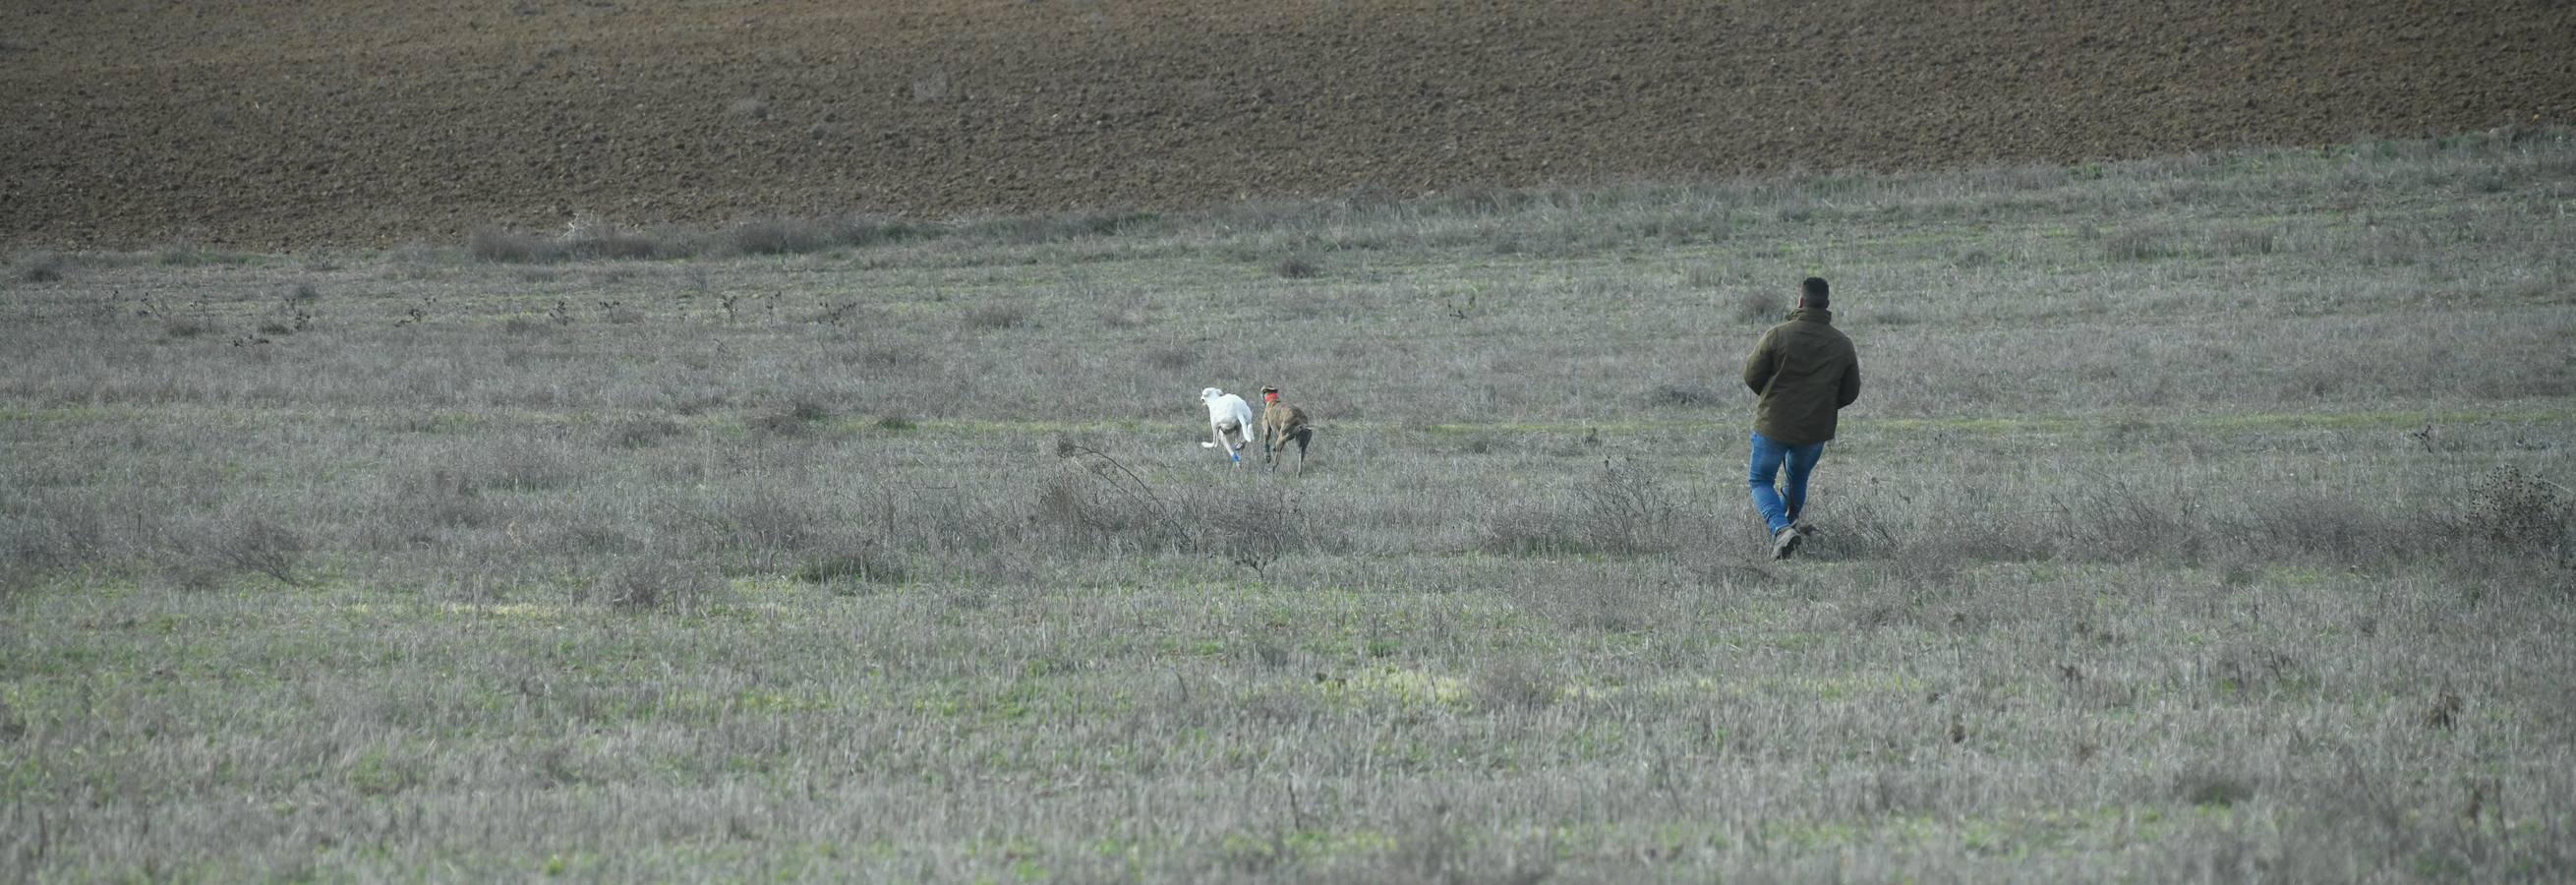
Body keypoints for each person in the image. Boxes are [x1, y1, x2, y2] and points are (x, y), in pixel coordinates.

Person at [1740, 277, 1861, 560]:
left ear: (1800, 302)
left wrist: (1771, 399)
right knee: (1797, 479)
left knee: (1760, 480)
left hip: (1773, 424)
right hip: (1814, 430)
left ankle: (1781, 529)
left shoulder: (1777, 335)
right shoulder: (1843, 344)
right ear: (1827, 304)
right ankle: (1790, 526)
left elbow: (1751, 376)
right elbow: (1850, 392)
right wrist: (1822, 407)